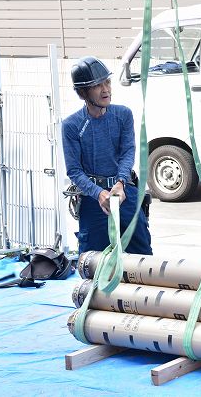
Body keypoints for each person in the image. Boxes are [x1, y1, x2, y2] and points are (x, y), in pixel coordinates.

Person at [62, 56, 152, 255]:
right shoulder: (71, 125)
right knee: (93, 262)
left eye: (107, 82)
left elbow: (128, 152)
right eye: (97, 85)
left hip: (124, 191)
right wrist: (98, 193)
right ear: (83, 93)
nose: (106, 90)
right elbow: (74, 171)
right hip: (93, 198)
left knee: (142, 256)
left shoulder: (123, 115)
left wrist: (120, 183)